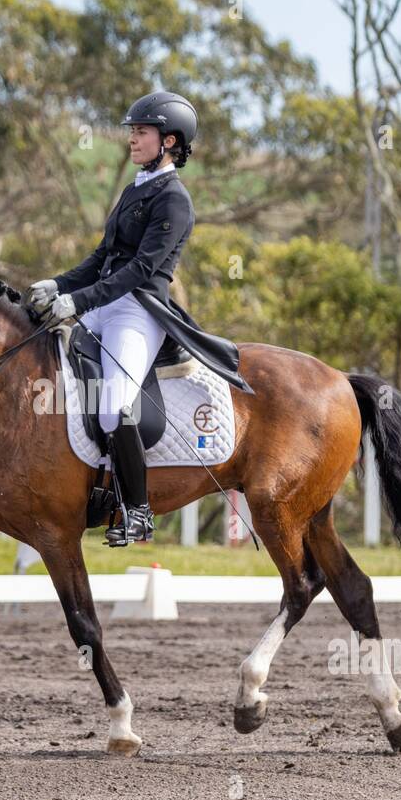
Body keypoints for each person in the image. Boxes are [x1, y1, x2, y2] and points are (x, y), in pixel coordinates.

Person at [26, 90, 253, 546]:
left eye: (141, 131)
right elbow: (102, 258)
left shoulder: (173, 199)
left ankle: (138, 511)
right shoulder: (135, 188)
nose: (132, 138)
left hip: (138, 311)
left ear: (169, 141)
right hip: (103, 303)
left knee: (114, 403)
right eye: (132, 130)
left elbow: (139, 271)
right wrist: (59, 285)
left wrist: (79, 302)